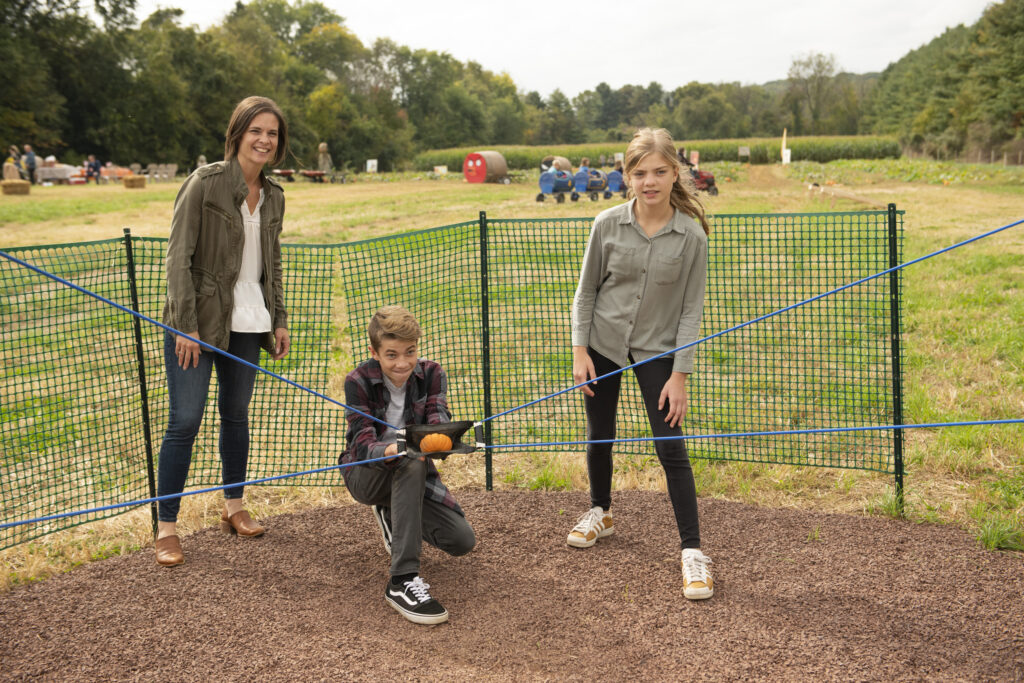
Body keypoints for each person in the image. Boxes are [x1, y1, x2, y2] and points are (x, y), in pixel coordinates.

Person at [569, 127, 714, 600]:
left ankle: (692, 552)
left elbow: (691, 311)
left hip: (658, 349)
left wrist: (679, 375)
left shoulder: (692, 237)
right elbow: (587, 292)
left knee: (671, 447)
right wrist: (580, 351)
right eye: (639, 173)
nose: (648, 181)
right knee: (600, 433)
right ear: (626, 177)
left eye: (658, 172)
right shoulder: (606, 224)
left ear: (675, 174)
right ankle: (600, 511)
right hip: (603, 343)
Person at [154, 95, 291, 567]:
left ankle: (234, 506)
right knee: (185, 421)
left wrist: (279, 318)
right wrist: (186, 326)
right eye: (256, 131)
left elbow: (272, 263)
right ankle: (166, 528)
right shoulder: (204, 183)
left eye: (272, 133)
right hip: (198, 323)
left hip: (250, 321)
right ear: (237, 134)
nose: (264, 140)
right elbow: (178, 258)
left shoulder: (274, 195)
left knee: (236, 414)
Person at [340, 305, 476, 625]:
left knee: (461, 541)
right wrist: (393, 449)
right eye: (391, 355)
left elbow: (437, 417)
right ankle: (401, 581)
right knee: (411, 462)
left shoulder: (432, 374)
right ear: (374, 352)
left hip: (412, 473)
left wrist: (443, 438)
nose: (402, 363)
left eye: (410, 352)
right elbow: (362, 443)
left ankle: (392, 510)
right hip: (366, 474)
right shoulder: (357, 380)